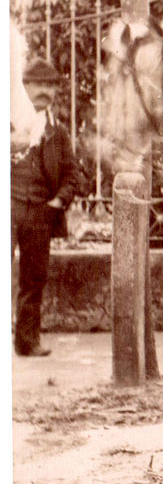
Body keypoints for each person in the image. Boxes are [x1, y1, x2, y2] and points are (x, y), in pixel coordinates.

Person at [11, 59, 84, 357]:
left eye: (51, 85)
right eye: (38, 84)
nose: (45, 91)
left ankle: (27, 342)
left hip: (40, 211)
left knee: (34, 278)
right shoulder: (9, 121)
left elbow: (73, 175)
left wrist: (57, 202)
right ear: (25, 87)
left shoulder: (58, 132)